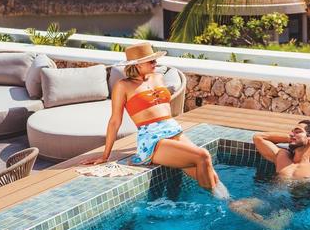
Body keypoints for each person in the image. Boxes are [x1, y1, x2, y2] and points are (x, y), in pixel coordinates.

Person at [81, 42, 223, 194]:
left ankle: (230, 202)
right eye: (151, 60)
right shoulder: (123, 86)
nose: (155, 63)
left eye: (155, 60)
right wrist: (105, 155)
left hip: (174, 131)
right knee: (203, 156)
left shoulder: (158, 77)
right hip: (152, 140)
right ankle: (216, 206)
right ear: (137, 64)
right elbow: (115, 121)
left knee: (211, 173)